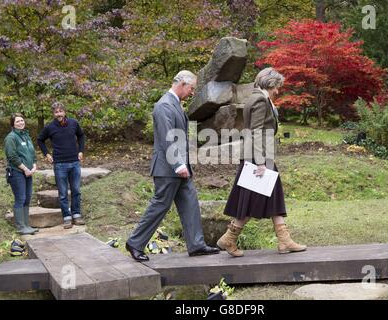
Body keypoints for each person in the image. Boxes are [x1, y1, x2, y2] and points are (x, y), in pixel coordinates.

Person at [125, 70, 220, 261]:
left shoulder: (175, 104)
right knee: (160, 205)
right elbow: (167, 137)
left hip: (180, 168)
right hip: (168, 168)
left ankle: (196, 244)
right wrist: (178, 164)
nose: (192, 92)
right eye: (191, 88)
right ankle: (135, 243)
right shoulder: (164, 106)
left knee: (190, 203)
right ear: (182, 84)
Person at [216, 67, 307, 257]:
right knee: (250, 199)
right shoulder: (259, 99)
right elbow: (256, 132)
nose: (278, 91)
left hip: (260, 157)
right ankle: (229, 238)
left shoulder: (260, 98)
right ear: (270, 83)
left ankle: (284, 240)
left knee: (273, 196)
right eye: (277, 87)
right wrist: (260, 162)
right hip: (258, 158)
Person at [37, 102, 86, 229]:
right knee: (63, 193)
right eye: (56, 112)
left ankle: (76, 215)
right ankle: (67, 218)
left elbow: (81, 136)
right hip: (59, 164)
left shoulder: (74, 123)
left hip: (75, 162)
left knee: (76, 191)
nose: (58, 114)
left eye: (60, 111)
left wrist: (81, 151)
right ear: (53, 114)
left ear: (64, 112)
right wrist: (47, 154)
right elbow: (40, 140)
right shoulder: (49, 127)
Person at [4, 113, 39, 235]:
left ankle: (27, 225)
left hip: (28, 172)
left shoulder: (26, 136)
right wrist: (24, 168)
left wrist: (34, 165)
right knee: (20, 198)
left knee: (27, 198)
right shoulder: (11, 138)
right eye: (17, 121)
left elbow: (32, 153)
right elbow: (12, 156)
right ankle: (20, 227)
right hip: (17, 172)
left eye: (22, 120)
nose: (20, 123)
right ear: (13, 124)